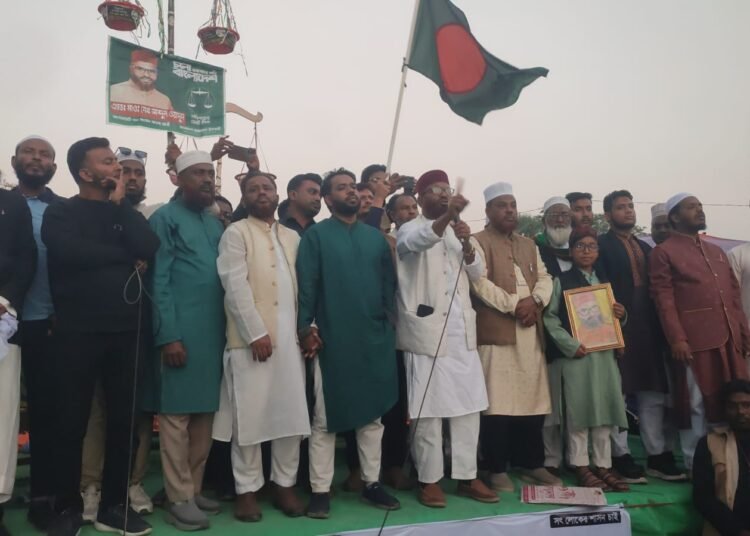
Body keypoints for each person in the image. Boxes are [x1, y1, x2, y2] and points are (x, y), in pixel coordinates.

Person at [42, 137, 159, 536]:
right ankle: (67, 508)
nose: (117, 168)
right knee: (70, 422)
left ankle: (114, 506)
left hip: (127, 331)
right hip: (76, 331)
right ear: (85, 173)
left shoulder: (123, 213)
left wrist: (120, 206)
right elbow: (69, 253)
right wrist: (124, 256)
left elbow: (149, 246)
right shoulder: (62, 211)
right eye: (108, 162)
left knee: (124, 422)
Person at [297, 168, 400, 519]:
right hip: (332, 339)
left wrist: (386, 323)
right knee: (325, 419)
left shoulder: (375, 238)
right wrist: (306, 327)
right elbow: (307, 286)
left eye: (353, 186)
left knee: (372, 417)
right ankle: (320, 490)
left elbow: (388, 286)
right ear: (328, 199)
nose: (351, 191)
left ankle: (372, 483)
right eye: (342, 188)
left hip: (373, 338)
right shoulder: (316, 236)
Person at [396, 169, 497, 508]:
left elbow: (478, 272)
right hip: (425, 332)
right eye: (436, 190)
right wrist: (447, 219)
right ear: (420, 196)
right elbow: (419, 242)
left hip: (460, 332)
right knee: (427, 410)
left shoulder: (457, 230)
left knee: (468, 406)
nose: (443, 194)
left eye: (447, 190)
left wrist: (466, 242)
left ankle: (468, 477)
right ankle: (429, 480)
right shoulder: (409, 228)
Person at [214, 172, 310, 522]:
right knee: (249, 419)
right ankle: (247, 490)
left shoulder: (292, 236)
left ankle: (284, 485)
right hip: (250, 341)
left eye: (266, 187)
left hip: (290, 342)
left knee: (290, 416)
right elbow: (234, 284)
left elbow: (306, 286)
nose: (261, 193)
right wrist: (255, 332)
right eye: (253, 189)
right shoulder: (236, 233)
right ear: (244, 197)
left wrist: (309, 328)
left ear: (277, 194)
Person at [145, 151, 226, 531]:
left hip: (213, 334)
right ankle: (177, 497)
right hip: (180, 334)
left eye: (210, 173)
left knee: (204, 416)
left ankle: (192, 489)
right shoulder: (164, 218)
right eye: (198, 173)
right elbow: (157, 281)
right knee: (176, 418)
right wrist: (168, 335)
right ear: (178, 179)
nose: (207, 179)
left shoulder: (214, 222)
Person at [78, 144, 159, 521]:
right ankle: (91, 485)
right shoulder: (89, 211)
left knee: (136, 412)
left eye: (137, 173)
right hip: (96, 325)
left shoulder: (151, 215)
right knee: (97, 409)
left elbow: (150, 249)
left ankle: (132, 482)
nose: (131, 178)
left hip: (139, 326)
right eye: (124, 171)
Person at [468, 182, 560, 493]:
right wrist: (515, 306)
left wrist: (535, 301)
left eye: (513, 205)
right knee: (498, 402)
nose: (509, 210)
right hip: (497, 331)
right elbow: (478, 283)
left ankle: (532, 464)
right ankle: (495, 468)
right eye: (502, 205)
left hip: (530, 330)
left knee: (532, 399)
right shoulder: (477, 241)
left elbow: (545, 277)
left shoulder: (528, 244)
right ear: (488, 210)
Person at [650, 193, 750, 471]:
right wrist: (677, 338)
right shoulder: (664, 252)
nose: (699, 211)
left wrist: (743, 333)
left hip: (729, 340)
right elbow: (664, 300)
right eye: (691, 207)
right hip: (693, 342)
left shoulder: (716, 252)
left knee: (730, 401)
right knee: (696, 403)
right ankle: (697, 466)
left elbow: (733, 298)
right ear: (674, 216)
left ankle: (732, 464)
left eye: (700, 206)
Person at [599, 191, 684, 482]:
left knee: (652, 394)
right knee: (618, 394)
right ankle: (619, 455)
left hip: (648, 330)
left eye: (631, 206)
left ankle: (657, 455)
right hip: (617, 329)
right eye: (621, 207)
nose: (628, 211)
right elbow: (598, 289)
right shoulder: (601, 246)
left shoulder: (646, 248)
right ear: (607, 215)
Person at [543, 228, 630, 492]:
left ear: (598, 251)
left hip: (604, 357)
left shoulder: (604, 281)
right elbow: (549, 318)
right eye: (580, 246)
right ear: (571, 251)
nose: (586, 251)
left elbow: (613, 319)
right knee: (578, 413)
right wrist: (570, 345)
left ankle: (603, 465)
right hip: (577, 358)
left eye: (591, 246)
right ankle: (580, 465)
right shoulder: (561, 281)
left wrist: (622, 315)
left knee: (604, 411)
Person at [10, 135, 64, 530]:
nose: (36, 158)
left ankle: (43, 498)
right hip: (4, 322)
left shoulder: (64, 210)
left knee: (46, 415)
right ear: (14, 161)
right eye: (29, 152)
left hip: (46, 322)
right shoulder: (2, 204)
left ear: (54, 168)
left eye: (44, 154)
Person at [0, 182, 36, 536]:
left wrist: (4, 301)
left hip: (1, 320)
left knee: (2, 416)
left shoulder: (12, 203)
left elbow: (26, 259)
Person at [693, 380, 750, 535]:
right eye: (732, 406)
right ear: (724, 409)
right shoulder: (709, 443)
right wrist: (738, 531)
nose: (740, 411)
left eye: (746, 405)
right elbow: (702, 497)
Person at [534, 197, 573, 278]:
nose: (560, 220)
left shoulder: (578, 245)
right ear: (544, 221)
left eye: (565, 215)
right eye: (554, 215)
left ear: (571, 219)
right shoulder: (534, 247)